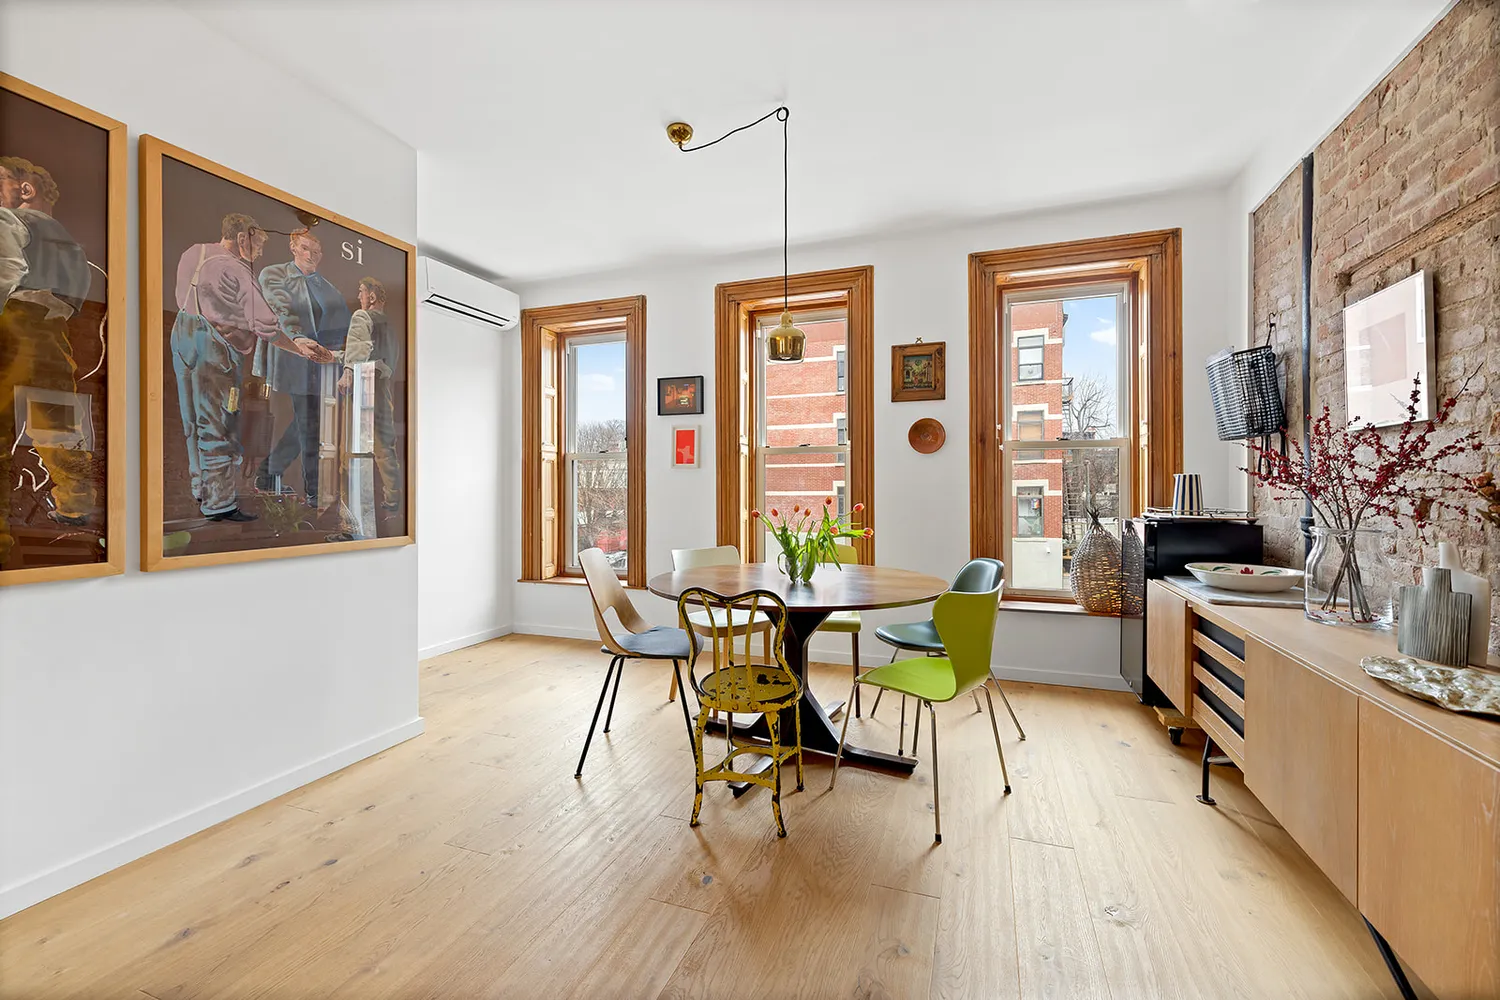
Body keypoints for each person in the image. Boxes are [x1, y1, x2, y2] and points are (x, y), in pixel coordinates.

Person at [171, 213, 331, 523]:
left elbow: (182, 296)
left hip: (183, 335)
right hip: (215, 345)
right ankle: (219, 504)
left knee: (191, 419)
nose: (259, 252)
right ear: (243, 238)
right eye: (257, 245)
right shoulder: (237, 270)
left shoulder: (194, 253)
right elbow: (266, 325)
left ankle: (200, 490)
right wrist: (298, 347)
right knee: (218, 423)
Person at [0, 156, 96, 564]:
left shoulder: (9, 219)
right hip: (52, 331)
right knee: (58, 425)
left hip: (11, 322)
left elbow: (5, 268)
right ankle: (76, 505)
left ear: (25, 189)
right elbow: (79, 291)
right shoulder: (67, 241)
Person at [256, 228, 350, 505]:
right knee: (309, 424)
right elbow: (280, 309)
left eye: (316, 251)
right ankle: (315, 493)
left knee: (307, 423)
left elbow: (345, 326)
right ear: (293, 248)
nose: (311, 255)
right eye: (306, 248)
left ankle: (267, 474)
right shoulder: (274, 274)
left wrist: (344, 361)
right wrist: (297, 338)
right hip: (293, 359)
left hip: (323, 364)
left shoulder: (328, 288)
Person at [338, 276, 401, 512]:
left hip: (363, 384)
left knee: (351, 449)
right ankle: (393, 501)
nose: (359, 296)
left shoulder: (361, 316)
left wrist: (347, 371)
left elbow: (359, 348)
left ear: (371, 296)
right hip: (382, 388)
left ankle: (349, 508)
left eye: (361, 291)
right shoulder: (391, 326)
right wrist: (336, 356)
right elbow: (377, 356)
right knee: (385, 448)